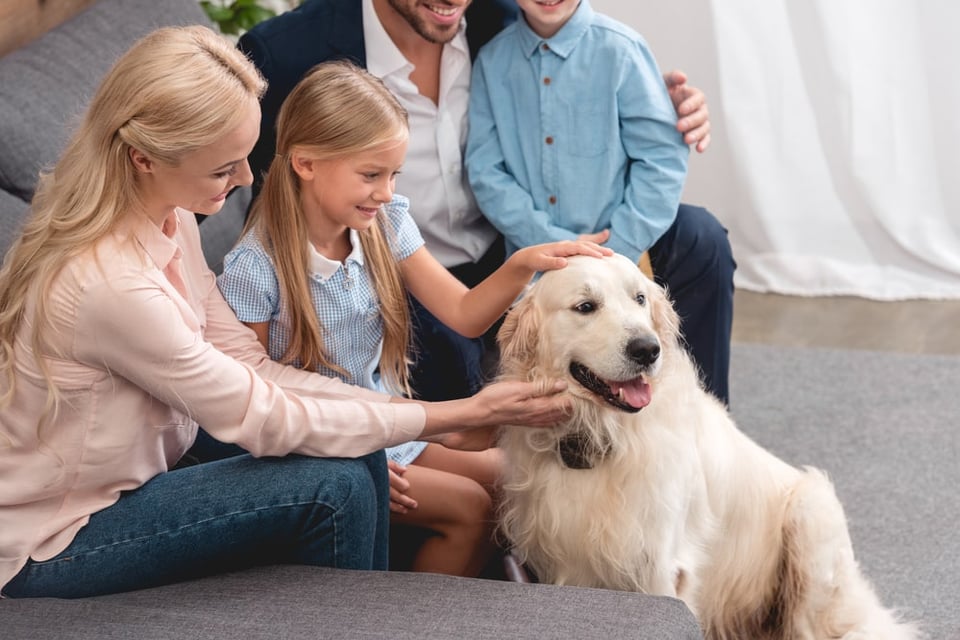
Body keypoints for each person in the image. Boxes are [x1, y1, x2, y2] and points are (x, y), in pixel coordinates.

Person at [0, 25, 574, 599]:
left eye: (245, 157)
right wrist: (448, 418)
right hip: (56, 540)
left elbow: (255, 366)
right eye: (224, 168)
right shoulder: (112, 286)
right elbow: (260, 411)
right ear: (143, 158)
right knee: (340, 482)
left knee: (359, 458)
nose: (249, 178)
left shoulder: (169, 220)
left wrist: (432, 418)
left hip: (135, 481)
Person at [217, 60, 610, 577]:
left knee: (518, 469)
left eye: (394, 174)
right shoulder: (255, 269)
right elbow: (256, 402)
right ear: (306, 163)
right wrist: (351, 462)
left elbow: (465, 314)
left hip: (388, 425)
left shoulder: (384, 221)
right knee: (481, 501)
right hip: (319, 446)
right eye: (371, 174)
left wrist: (523, 265)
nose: (385, 190)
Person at [237, 0, 732, 406]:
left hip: (511, 245)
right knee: (467, 378)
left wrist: (667, 107)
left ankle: (698, 426)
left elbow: (581, 68)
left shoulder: (507, 18)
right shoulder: (284, 54)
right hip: (403, 271)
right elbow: (226, 185)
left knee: (698, 237)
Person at [465, 0, 707, 379]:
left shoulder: (621, 49)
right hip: (531, 269)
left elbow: (661, 161)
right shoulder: (492, 61)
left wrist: (609, 256)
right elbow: (486, 171)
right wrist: (553, 247)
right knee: (525, 381)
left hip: (622, 256)